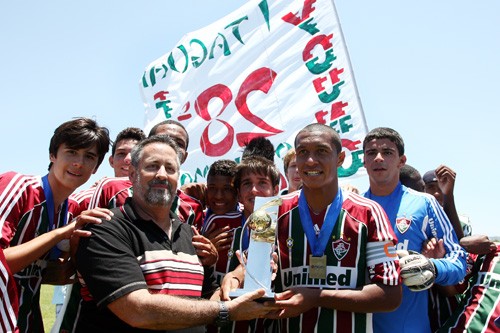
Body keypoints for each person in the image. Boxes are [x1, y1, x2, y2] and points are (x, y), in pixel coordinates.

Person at [75, 135, 273, 332]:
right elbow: (138, 310)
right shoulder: (104, 230)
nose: (162, 174)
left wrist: (243, 276)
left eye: (170, 169)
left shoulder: (190, 234)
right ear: (132, 173)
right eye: (152, 166)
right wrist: (226, 310)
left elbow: (208, 297)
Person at [223, 123, 402, 332]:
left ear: (340, 159)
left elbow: (390, 295)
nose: (310, 161)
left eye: (321, 151)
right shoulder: (271, 211)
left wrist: (317, 297)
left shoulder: (370, 212)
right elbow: (254, 264)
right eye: (302, 153)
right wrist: (235, 276)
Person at [0, 117, 111, 333]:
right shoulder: (18, 186)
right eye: (71, 151)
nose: (78, 162)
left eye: (89, 156)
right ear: (52, 155)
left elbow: (45, 277)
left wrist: (68, 268)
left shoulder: (71, 212)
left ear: (96, 167)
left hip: (25, 322)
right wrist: (60, 233)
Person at [362, 127, 467, 333]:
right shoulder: (351, 208)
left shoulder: (424, 203)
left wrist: (432, 267)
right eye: (371, 153)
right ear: (364, 160)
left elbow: (459, 261)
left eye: (388, 152)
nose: (378, 158)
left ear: (402, 161)